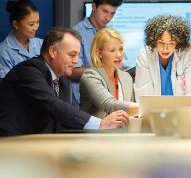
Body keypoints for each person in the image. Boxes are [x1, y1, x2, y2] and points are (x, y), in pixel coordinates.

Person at [0, 27, 129, 136]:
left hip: (37, 145)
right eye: (72, 55)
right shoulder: (28, 71)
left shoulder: (62, 80)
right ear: (53, 52)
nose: (76, 61)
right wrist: (101, 123)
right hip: (11, 146)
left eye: (77, 55)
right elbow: (54, 106)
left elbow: (64, 120)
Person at [71, 0, 129, 108]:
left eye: (112, 13)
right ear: (94, 6)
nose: (108, 17)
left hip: (112, 101)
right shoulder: (75, 34)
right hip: (83, 105)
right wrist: (104, 73)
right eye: (105, 11)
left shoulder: (111, 35)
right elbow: (71, 71)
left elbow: (123, 67)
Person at [134, 15, 191, 101]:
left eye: (171, 43)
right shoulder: (145, 55)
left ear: (178, 42)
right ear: (154, 41)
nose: (165, 49)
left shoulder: (189, 52)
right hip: (154, 111)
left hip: (183, 111)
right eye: (161, 43)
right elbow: (143, 96)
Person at [80, 28, 138, 117]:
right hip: (96, 131)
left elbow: (133, 114)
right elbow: (110, 105)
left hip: (123, 130)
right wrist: (146, 108)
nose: (119, 55)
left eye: (121, 49)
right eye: (112, 50)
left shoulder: (126, 77)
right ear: (99, 53)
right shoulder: (90, 76)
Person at [0, 0, 43, 80]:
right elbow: (6, 86)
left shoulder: (41, 43)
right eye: (31, 24)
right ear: (16, 24)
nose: (36, 27)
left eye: (37, 22)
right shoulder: (4, 52)